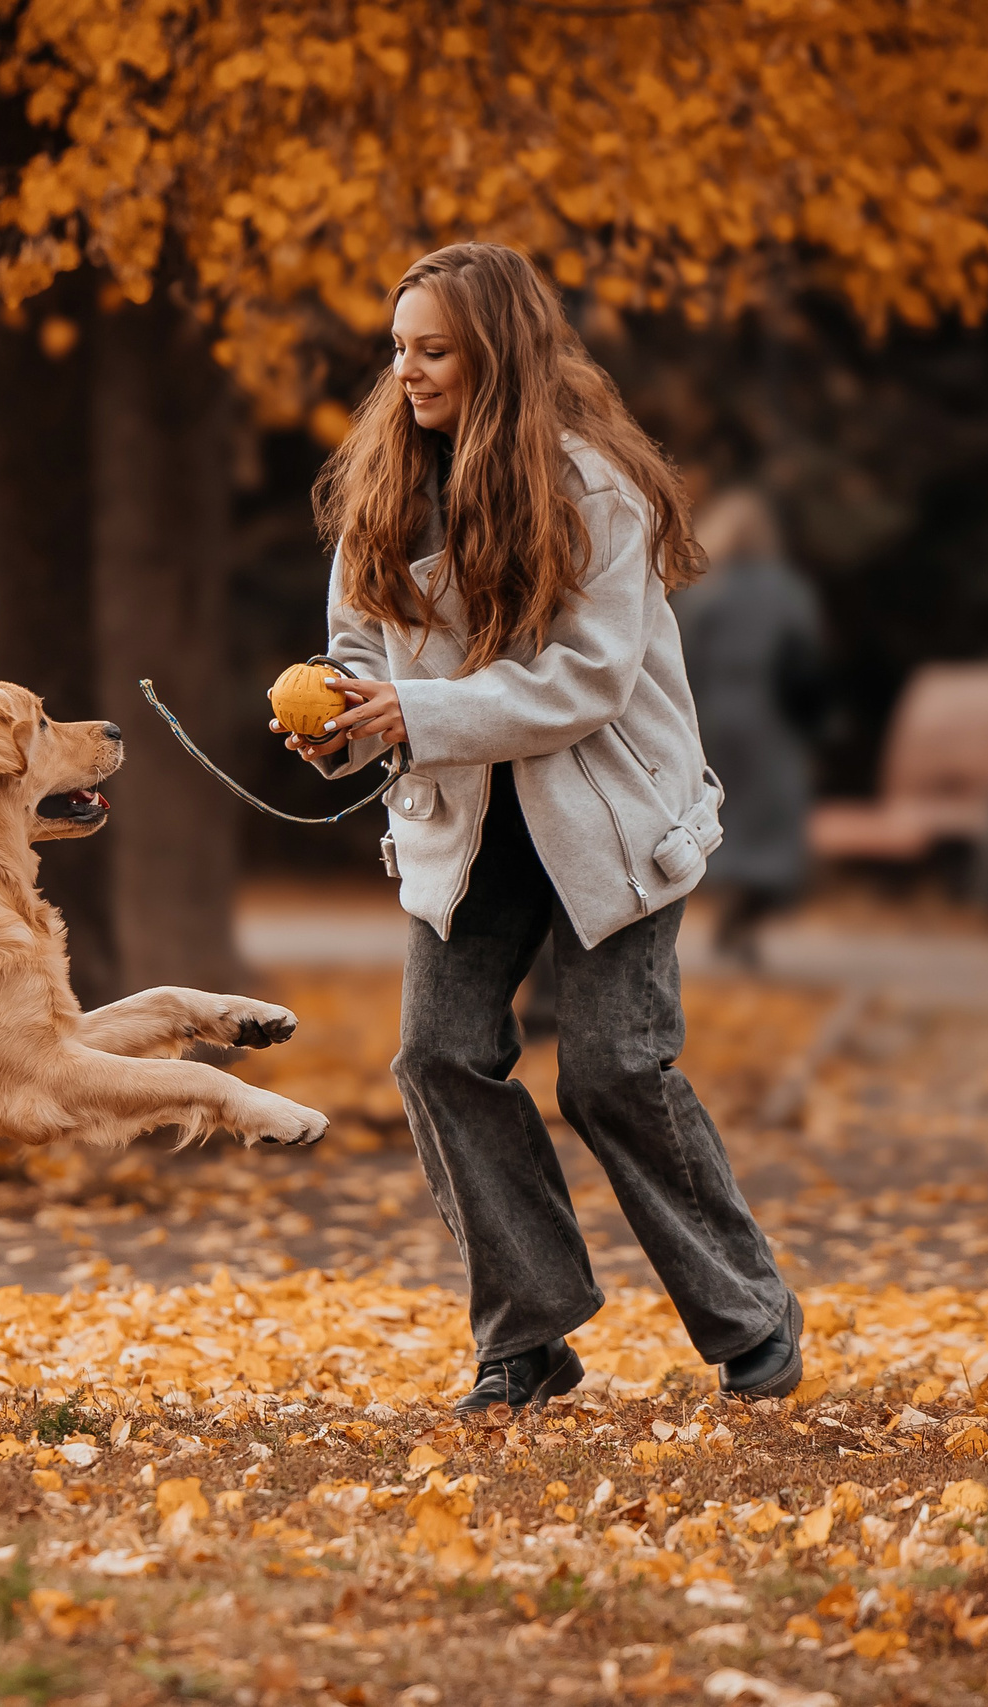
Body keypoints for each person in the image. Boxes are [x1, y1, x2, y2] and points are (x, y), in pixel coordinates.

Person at [272, 243, 801, 1415]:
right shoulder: (385, 481)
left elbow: (588, 683)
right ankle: (528, 1337)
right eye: (399, 346)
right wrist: (343, 714)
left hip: (602, 812)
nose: (404, 371)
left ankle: (748, 1314)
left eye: (434, 350)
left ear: (497, 355)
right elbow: (357, 648)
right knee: (436, 1055)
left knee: (614, 1069)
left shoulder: (592, 486)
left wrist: (407, 708)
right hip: (466, 819)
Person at [671, 488, 827, 969]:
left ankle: (731, 906)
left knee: (725, 814)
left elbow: (681, 657)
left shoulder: (703, 590)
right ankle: (748, 912)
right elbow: (809, 653)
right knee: (774, 818)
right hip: (769, 714)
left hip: (713, 713)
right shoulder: (787, 589)